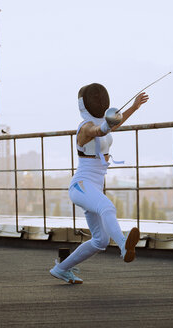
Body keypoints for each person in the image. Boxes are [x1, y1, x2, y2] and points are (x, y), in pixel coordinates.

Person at [49, 83, 149, 284]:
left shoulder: (101, 121)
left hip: (93, 187)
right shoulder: (85, 127)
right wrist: (108, 122)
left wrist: (134, 107)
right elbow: (99, 131)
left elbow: (113, 125)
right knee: (107, 207)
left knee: (100, 240)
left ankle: (61, 269)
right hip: (81, 186)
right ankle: (123, 246)